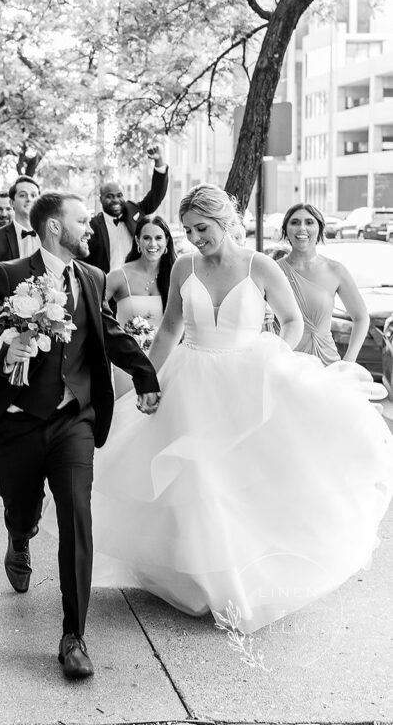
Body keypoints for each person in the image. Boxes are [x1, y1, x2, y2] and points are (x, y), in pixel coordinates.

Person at [90, 184, 393, 634]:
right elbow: (171, 328)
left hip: (247, 377)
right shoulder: (185, 268)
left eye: (203, 228)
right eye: (189, 229)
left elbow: (291, 322)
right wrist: (145, 378)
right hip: (190, 380)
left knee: (235, 479)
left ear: (225, 222)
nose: (195, 238)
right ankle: (200, 581)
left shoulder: (260, 265)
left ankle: (239, 581)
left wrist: (274, 359)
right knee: (195, 479)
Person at [0, 192, 160, 680]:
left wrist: (147, 375)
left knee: (76, 516)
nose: (89, 228)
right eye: (79, 221)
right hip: (19, 418)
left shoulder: (90, 279)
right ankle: (19, 533)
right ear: (53, 227)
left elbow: (111, 336)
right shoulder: (10, 273)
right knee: (20, 504)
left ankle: (74, 635)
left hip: (74, 420)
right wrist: (10, 342)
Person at [277, 204, 385, 385]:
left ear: (319, 228)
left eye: (309, 222)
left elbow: (361, 318)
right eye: (295, 222)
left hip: (327, 364)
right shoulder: (274, 270)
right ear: (286, 230)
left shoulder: (336, 270)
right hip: (287, 364)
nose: (302, 228)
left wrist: (348, 362)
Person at [105, 214, 176, 397]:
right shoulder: (120, 276)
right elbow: (92, 308)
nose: (153, 243)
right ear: (137, 240)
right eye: (147, 238)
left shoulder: (176, 276)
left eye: (158, 237)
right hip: (129, 364)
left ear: (167, 240)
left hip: (168, 361)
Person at [85, 142, 169, 273]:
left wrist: (159, 162)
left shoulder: (135, 211)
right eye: (110, 196)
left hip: (136, 282)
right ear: (100, 199)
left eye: (119, 195)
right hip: (106, 286)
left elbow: (156, 194)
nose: (116, 200)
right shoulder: (92, 226)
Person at [0, 175, 41, 302]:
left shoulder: (48, 238)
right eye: (22, 195)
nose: (29, 199)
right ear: (12, 203)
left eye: (33, 195)